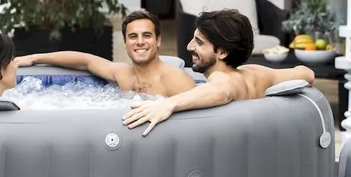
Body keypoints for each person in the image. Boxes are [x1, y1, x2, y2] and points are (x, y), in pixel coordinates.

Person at [122, 8, 315, 136]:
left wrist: (167, 104)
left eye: (199, 42)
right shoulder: (256, 73)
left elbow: (222, 90)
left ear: (222, 52)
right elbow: (306, 73)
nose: (189, 47)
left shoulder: (221, 78)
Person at [12, 9, 197, 97]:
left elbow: (199, 116)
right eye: (133, 36)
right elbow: (85, 60)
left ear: (158, 41)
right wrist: (34, 58)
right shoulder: (122, 73)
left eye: (146, 35)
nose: (140, 42)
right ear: (125, 43)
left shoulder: (175, 79)